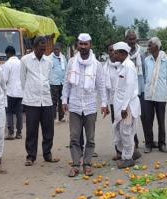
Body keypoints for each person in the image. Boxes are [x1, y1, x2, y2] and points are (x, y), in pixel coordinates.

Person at [62, 33, 107, 177]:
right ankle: (76, 165)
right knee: (74, 137)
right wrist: (64, 100)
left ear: (90, 45)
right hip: (75, 105)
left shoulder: (97, 64)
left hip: (90, 106)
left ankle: (87, 164)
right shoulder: (71, 62)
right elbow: (66, 83)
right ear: (77, 45)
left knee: (90, 138)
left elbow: (101, 85)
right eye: (80, 44)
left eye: (85, 44)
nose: (83, 46)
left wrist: (104, 103)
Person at [21, 37, 60, 166]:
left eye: (45, 49)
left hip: (47, 101)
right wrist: (26, 96)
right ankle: (31, 156)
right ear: (35, 47)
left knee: (49, 130)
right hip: (32, 101)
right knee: (32, 130)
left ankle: (47, 154)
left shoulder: (48, 61)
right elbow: (22, 81)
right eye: (41, 48)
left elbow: (48, 78)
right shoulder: (25, 60)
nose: (43, 51)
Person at [111, 42, 141, 169]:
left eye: (116, 52)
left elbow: (129, 88)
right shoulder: (121, 66)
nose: (114, 54)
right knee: (119, 130)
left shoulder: (129, 66)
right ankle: (131, 152)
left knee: (125, 132)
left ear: (123, 53)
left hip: (127, 106)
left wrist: (124, 108)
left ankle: (128, 158)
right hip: (121, 105)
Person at [143, 37, 167, 153]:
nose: (148, 47)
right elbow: (146, 76)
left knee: (161, 121)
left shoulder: (166, 59)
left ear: (156, 46)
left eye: (150, 45)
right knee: (148, 121)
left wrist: (164, 90)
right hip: (149, 94)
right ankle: (149, 144)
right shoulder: (147, 60)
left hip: (161, 94)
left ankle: (162, 144)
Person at [125, 29, 143, 149]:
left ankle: (148, 141)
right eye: (130, 39)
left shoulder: (142, 52)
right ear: (126, 40)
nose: (132, 41)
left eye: (134, 38)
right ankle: (133, 141)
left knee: (142, 116)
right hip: (127, 90)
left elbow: (145, 71)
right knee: (129, 118)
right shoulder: (122, 52)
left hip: (140, 89)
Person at [103, 43, 121, 159]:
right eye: (110, 50)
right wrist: (106, 104)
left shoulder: (124, 65)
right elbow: (104, 88)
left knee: (127, 126)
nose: (113, 53)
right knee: (116, 127)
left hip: (125, 101)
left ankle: (130, 150)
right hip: (113, 102)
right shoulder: (105, 68)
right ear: (108, 52)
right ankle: (118, 151)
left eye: (115, 51)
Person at [3, 45, 23, 140]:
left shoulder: (7, 64)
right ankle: (19, 133)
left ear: (8, 53)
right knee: (19, 113)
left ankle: (11, 133)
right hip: (20, 92)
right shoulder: (21, 62)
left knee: (9, 112)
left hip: (10, 92)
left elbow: (5, 79)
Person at [49, 43, 67, 122]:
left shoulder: (63, 58)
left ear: (60, 50)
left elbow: (66, 68)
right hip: (54, 82)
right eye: (55, 49)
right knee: (54, 101)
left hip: (62, 82)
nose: (56, 51)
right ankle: (53, 118)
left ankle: (61, 117)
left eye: (58, 49)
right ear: (53, 50)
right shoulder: (49, 58)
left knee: (62, 100)